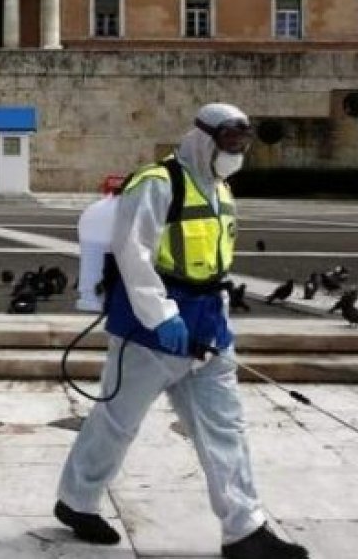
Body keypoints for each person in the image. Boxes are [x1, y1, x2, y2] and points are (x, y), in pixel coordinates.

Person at [54, 103, 309, 559]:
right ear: (204, 138)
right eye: (229, 142)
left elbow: (216, 264)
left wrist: (222, 317)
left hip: (208, 325)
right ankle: (77, 502)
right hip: (151, 329)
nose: (236, 151)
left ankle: (245, 529)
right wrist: (162, 316)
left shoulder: (221, 189)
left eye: (241, 143)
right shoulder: (156, 182)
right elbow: (133, 255)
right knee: (117, 422)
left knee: (225, 427)